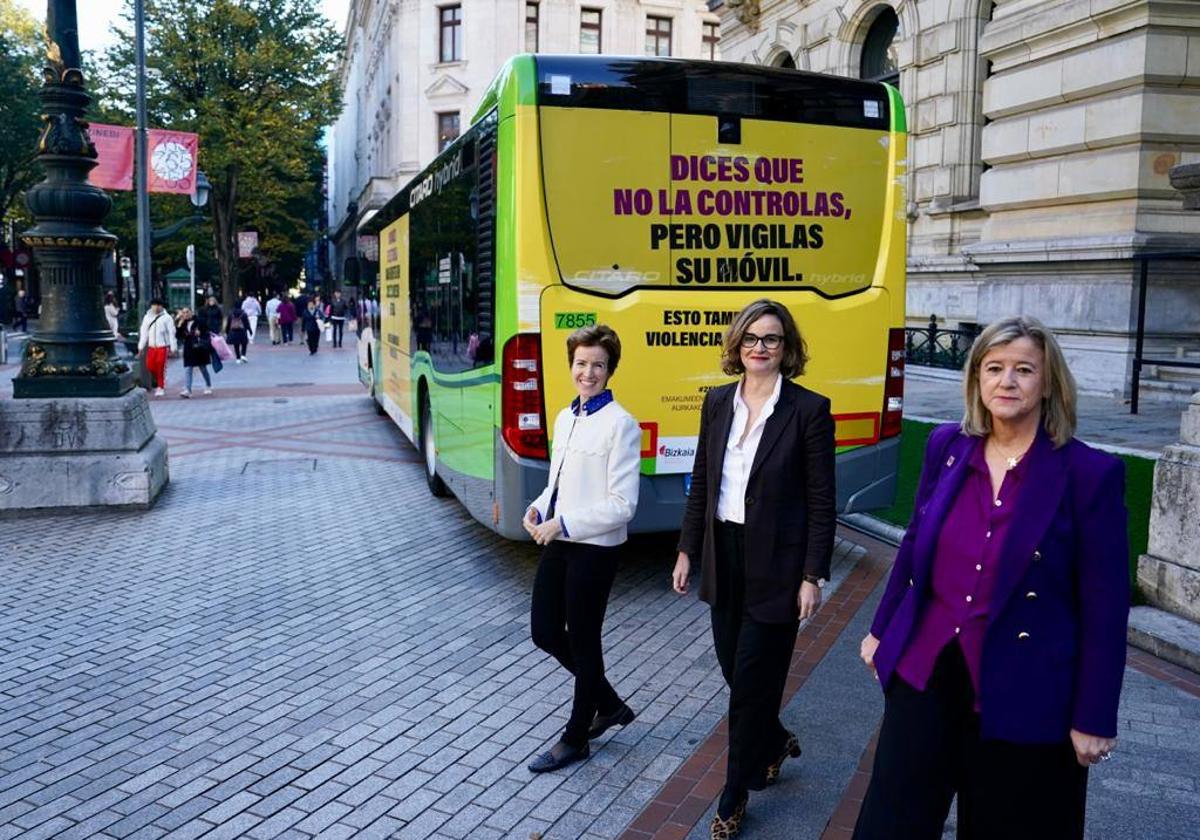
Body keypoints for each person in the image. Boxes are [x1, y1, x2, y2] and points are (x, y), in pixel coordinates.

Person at [853, 315, 1130, 840]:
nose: (1008, 381)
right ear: (977, 379)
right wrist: (880, 628)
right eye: (994, 368)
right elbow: (914, 544)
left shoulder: (1089, 474)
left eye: (1024, 370)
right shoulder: (946, 447)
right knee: (891, 823)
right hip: (926, 672)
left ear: (1048, 384)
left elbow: (1105, 607)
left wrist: (1094, 714)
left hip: (1027, 689)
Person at [673, 298, 836, 840]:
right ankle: (773, 740)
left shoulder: (808, 410)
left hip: (779, 567)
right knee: (735, 671)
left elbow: (820, 500)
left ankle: (733, 796)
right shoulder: (717, 402)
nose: (760, 348)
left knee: (746, 689)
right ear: (736, 346)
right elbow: (703, 479)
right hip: (725, 555)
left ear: (786, 349)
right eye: (751, 338)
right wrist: (686, 549)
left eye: (771, 339)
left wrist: (812, 576)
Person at [525, 324, 642, 774]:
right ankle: (609, 704)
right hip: (559, 537)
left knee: (586, 640)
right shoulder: (565, 416)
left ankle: (576, 737)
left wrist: (562, 523)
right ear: (571, 365)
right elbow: (556, 483)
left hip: (594, 548)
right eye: (581, 363)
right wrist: (537, 509)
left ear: (610, 369)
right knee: (545, 632)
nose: (588, 372)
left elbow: (623, 504)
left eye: (598, 365)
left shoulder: (621, 425)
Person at [137, 298, 174, 397]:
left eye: (158, 305)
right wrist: (141, 346)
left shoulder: (167, 318)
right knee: (150, 366)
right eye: (154, 305)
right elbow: (144, 333)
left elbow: (171, 333)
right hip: (151, 347)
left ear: (162, 306)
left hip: (162, 346)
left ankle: (160, 386)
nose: (156, 307)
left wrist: (173, 347)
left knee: (160, 366)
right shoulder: (147, 318)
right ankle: (159, 379)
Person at [175, 307, 214, 397]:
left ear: (191, 312)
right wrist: (179, 325)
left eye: (187, 312)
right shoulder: (183, 323)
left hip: (199, 348)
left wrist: (200, 333)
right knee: (188, 369)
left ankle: (208, 384)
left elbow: (207, 332)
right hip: (189, 348)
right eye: (183, 312)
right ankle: (188, 390)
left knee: (203, 368)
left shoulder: (200, 321)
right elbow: (178, 336)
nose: (185, 314)